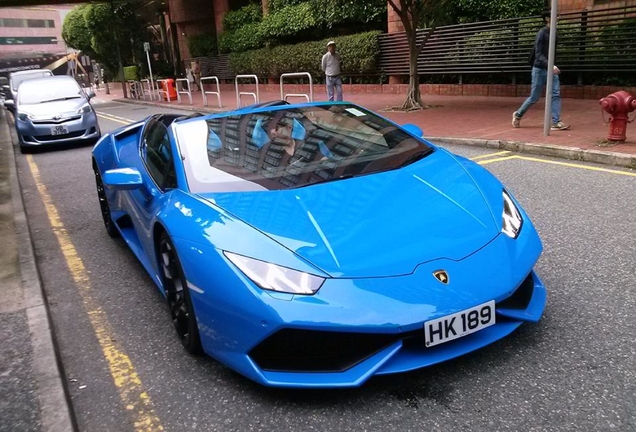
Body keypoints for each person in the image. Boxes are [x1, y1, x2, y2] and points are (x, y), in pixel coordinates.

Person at [512, 11, 569, 131]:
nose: (558, 17)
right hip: (539, 68)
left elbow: (553, 52)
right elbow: (538, 54)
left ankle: (556, 121)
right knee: (534, 97)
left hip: (550, 68)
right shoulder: (541, 33)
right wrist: (550, 65)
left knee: (555, 94)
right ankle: (518, 115)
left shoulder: (555, 33)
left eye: (558, 15)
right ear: (547, 18)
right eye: (555, 15)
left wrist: (552, 65)